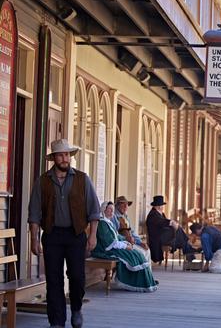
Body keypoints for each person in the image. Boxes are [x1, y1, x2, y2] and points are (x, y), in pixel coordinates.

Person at [28, 138, 100, 328]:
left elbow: (94, 210)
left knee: (77, 276)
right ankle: (57, 322)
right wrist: (34, 239)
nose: (65, 158)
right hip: (52, 235)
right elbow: (34, 213)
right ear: (54, 158)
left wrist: (92, 235)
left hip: (76, 234)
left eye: (67, 154)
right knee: (53, 279)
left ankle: (76, 308)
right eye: (61, 155)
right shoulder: (43, 181)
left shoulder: (82, 179)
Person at [93, 202, 158, 292]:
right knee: (133, 255)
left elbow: (117, 237)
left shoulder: (108, 222)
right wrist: (124, 246)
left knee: (137, 254)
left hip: (113, 247)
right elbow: (108, 242)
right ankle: (135, 282)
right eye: (109, 209)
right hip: (105, 250)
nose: (112, 212)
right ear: (104, 210)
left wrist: (126, 242)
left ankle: (145, 281)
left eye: (112, 210)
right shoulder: (102, 224)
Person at [145, 195, 194, 263]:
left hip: (163, 236)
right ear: (159, 206)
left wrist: (173, 223)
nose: (162, 207)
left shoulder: (159, 213)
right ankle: (190, 251)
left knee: (180, 236)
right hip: (157, 238)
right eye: (162, 206)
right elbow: (162, 222)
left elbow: (164, 222)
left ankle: (189, 251)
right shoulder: (153, 214)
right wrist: (172, 222)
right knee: (180, 234)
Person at [112, 195, 151, 263]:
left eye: (126, 205)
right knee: (141, 253)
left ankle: (147, 272)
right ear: (117, 205)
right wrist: (125, 239)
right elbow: (114, 233)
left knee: (146, 250)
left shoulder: (125, 217)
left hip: (130, 242)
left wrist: (140, 242)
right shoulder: (114, 216)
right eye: (123, 204)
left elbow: (132, 232)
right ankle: (141, 272)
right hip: (122, 244)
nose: (126, 207)